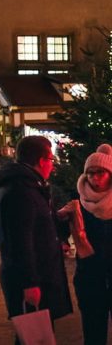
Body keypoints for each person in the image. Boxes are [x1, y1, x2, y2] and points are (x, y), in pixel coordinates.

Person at [0, 136, 73, 330]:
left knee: (37, 334)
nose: (52, 166)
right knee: (34, 334)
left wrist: (56, 218)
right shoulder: (22, 190)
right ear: (41, 161)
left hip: (38, 275)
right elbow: (20, 240)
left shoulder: (29, 186)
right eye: (51, 160)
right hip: (33, 278)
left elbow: (34, 225)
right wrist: (30, 283)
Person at [70, 143, 112, 345]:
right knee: (93, 332)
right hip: (89, 276)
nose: (95, 178)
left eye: (100, 173)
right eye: (90, 173)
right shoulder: (79, 203)